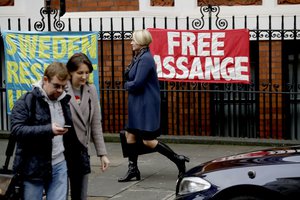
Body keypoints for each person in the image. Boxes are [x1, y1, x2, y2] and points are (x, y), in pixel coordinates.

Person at [118, 29, 190, 182]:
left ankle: (178, 160)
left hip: (145, 104)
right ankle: (133, 170)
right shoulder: (139, 56)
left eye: (133, 40)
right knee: (129, 135)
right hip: (137, 103)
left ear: (141, 42)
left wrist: (126, 85)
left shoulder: (146, 59)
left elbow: (137, 83)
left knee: (148, 141)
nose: (131, 42)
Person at [10, 62, 72, 200]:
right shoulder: (27, 101)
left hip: (59, 163)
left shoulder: (64, 101)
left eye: (63, 86)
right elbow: (17, 130)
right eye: (56, 86)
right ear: (45, 80)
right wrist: (48, 130)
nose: (60, 90)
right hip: (33, 166)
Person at [65, 52, 110, 200]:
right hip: (62, 150)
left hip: (81, 151)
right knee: (60, 194)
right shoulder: (61, 89)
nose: (84, 76)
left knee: (80, 195)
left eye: (87, 73)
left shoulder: (92, 90)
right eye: (80, 73)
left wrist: (102, 154)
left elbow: (96, 123)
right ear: (70, 72)